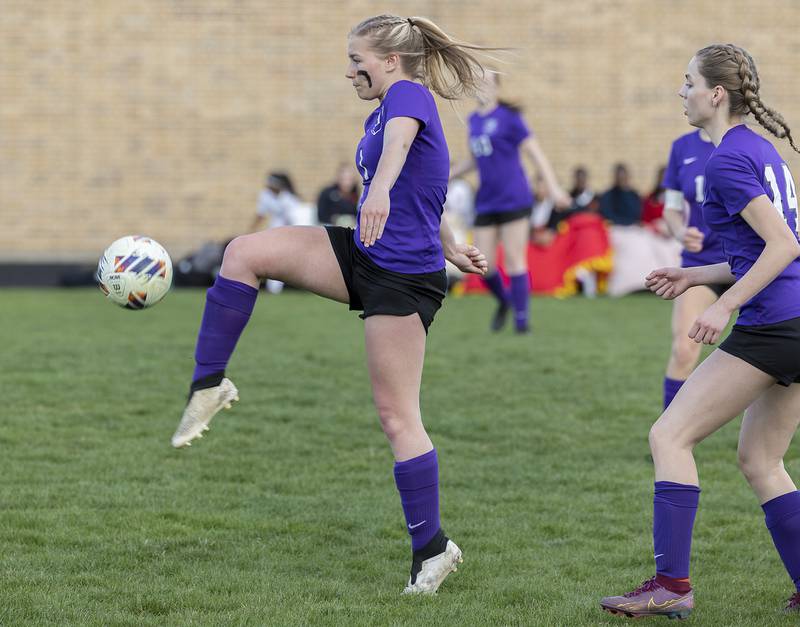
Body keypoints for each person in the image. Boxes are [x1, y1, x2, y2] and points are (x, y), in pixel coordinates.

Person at [170, 14, 491, 595]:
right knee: (243, 253)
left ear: (390, 60)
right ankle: (209, 383)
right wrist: (453, 246)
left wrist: (386, 190)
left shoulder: (409, 94)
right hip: (366, 254)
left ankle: (433, 549)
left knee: (398, 417)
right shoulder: (382, 109)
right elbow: (432, 186)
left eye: (356, 59)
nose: (349, 71)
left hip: (402, 279)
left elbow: (399, 155)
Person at [600, 44, 800, 618]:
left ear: (716, 94)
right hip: (795, 321)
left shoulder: (725, 162)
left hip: (774, 323)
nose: (680, 92)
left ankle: (672, 587)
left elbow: (784, 247)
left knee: (669, 436)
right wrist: (695, 275)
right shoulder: (758, 150)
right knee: (762, 462)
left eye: (687, 82)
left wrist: (723, 306)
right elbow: (760, 249)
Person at [450, 72, 570, 333]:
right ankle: (504, 301)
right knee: (483, 265)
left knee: (515, 260)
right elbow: (474, 159)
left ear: (496, 87)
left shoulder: (510, 118)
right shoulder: (473, 121)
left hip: (514, 197)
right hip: (486, 200)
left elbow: (536, 155)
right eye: (476, 82)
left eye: (486, 81)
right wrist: (445, 175)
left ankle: (522, 321)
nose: (481, 86)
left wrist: (553, 188)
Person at [658, 129, 721, 409]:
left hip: (749, 264)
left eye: (691, 84)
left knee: (771, 356)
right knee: (684, 350)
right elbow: (671, 209)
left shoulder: (749, 145)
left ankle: (767, 450)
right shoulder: (682, 147)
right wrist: (681, 232)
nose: (684, 93)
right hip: (700, 264)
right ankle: (668, 441)